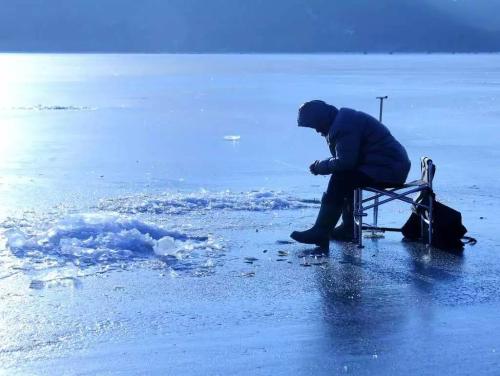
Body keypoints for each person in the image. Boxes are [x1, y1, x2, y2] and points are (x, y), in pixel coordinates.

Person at [290, 100, 411, 249]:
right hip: (386, 166)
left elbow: (346, 162)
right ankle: (347, 228)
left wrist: (320, 167)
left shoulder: (344, 126)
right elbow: (347, 158)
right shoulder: (344, 120)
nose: (316, 130)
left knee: (341, 179)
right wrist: (323, 165)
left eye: (316, 125)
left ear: (323, 119)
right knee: (346, 178)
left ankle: (321, 231)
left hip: (388, 170)